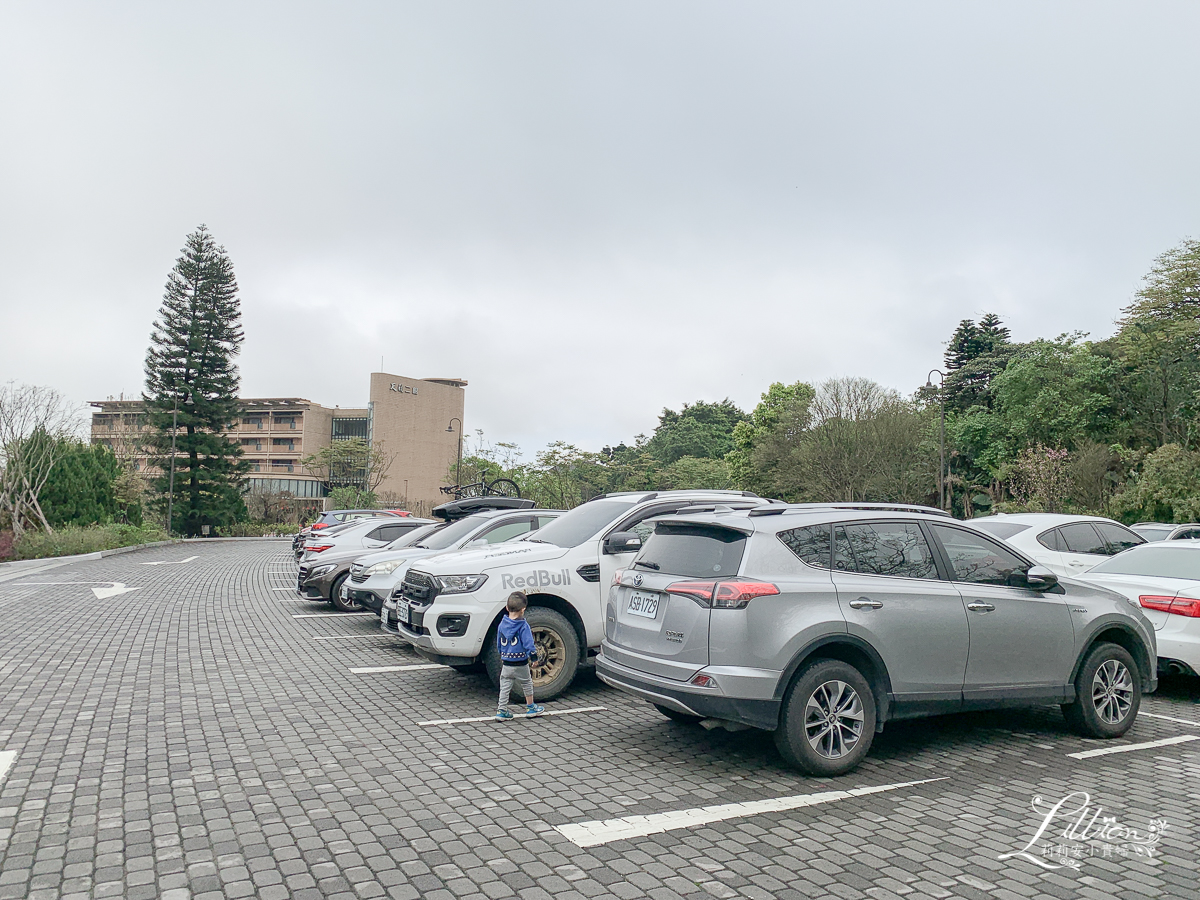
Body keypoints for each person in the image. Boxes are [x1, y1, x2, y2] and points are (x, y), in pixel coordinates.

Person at [495, 591, 546, 720]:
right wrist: (533, 657)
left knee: (505, 685)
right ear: (523, 609)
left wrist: (501, 653)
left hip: (507, 662)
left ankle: (501, 710)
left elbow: (499, 642)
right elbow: (529, 643)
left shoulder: (502, 624)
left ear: (507, 608)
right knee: (527, 683)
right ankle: (530, 707)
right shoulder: (523, 625)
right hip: (521, 662)